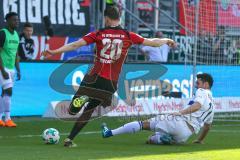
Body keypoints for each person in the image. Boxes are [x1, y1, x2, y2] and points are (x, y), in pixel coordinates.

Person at [42, 6, 176, 147]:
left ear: (106, 18)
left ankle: (81, 98)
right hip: (110, 84)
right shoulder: (128, 35)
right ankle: (69, 140)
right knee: (89, 111)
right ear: (119, 18)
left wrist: (54, 51)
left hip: (94, 77)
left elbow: (75, 45)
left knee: (72, 110)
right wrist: (166, 39)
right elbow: (153, 43)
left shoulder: (99, 33)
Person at [102, 73, 214, 145]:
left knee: (143, 124)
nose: (195, 85)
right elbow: (207, 126)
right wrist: (199, 140)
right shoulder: (212, 106)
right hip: (186, 134)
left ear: (206, 84)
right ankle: (163, 139)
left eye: (198, 82)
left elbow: (197, 106)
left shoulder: (202, 91)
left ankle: (110, 133)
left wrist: (180, 112)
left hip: (179, 122)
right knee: (151, 140)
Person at [0, 12, 21, 127]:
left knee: (4, 93)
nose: (16, 22)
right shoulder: (3, 33)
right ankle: (8, 119)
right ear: (7, 21)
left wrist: (18, 69)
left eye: (17, 20)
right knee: (9, 91)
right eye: (14, 20)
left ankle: (0, 119)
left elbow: (16, 54)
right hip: (2, 68)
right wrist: (2, 70)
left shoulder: (16, 35)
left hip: (11, 68)